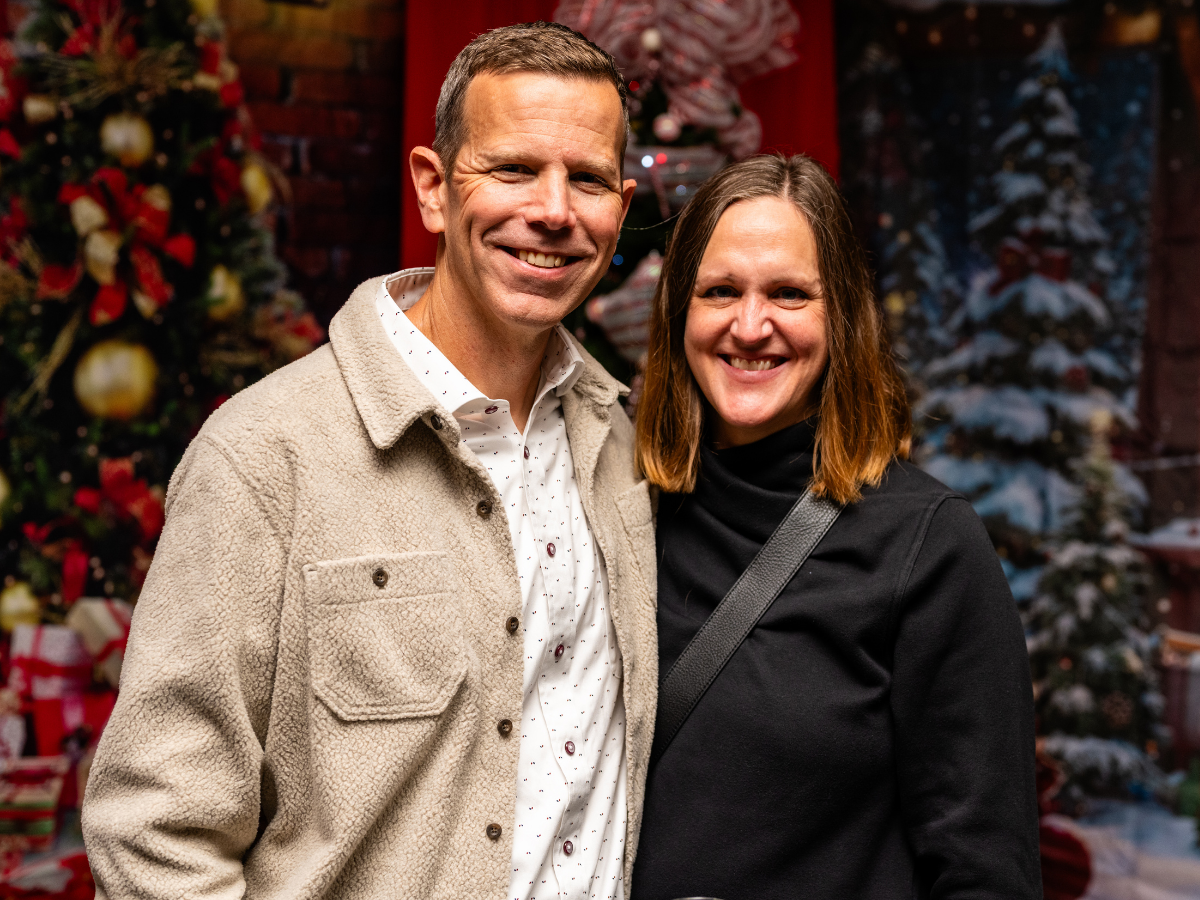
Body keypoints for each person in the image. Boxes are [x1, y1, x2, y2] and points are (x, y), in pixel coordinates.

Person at [83, 22, 659, 900]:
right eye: (511, 169)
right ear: (433, 188)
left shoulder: (628, 448)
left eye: (585, 180)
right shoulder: (266, 455)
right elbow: (154, 826)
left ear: (619, 206)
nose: (552, 210)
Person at [628, 155, 1041, 900]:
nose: (750, 327)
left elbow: (985, 872)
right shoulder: (620, 514)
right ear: (677, 312)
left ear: (842, 315)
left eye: (789, 294)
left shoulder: (928, 546)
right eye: (720, 291)